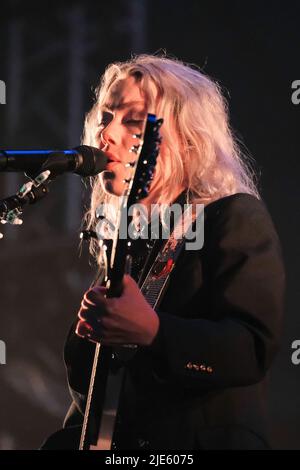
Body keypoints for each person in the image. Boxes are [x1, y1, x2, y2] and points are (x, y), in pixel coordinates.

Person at [62, 54, 285, 450]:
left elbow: (251, 349)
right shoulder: (125, 241)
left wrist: (154, 332)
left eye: (131, 120)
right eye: (104, 117)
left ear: (188, 138)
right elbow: (95, 404)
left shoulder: (232, 216)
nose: (106, 135)